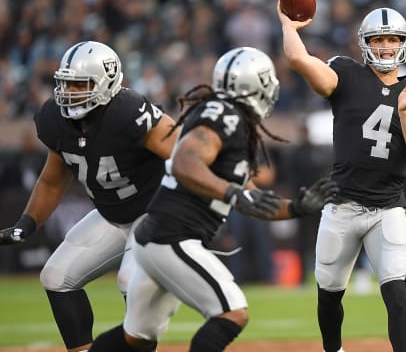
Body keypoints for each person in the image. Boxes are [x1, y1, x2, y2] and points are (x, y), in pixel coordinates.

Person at [88, 46, 339, 352]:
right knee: (232, 312)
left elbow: (249, 198)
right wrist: (231, 192)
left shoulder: (229, 118)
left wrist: (296, 208)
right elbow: (184, 162)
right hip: (172, 238)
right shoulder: (225, 115)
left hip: (156, 237)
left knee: (136, 338)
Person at [278, 2, 406, 352]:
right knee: (328, 294)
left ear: (404, 43)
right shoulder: (346, 73)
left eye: (392, 39)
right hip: (342, 206)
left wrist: (404, 110)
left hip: (387, 208)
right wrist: (289, 27)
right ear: (365, 42)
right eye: (378, 39)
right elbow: (299, 60)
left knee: (397, 294)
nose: (385, 46)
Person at [0, 41, 178, 352]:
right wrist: (26, 224)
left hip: (155, 213)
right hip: (113, 214)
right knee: (56, 277)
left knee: (129, 281)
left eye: (79, 84)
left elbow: (185, 154)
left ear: (108, 82)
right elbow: (53, 180)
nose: (69, 92)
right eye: (65, 83)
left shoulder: (129, 111)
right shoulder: (54, 119)